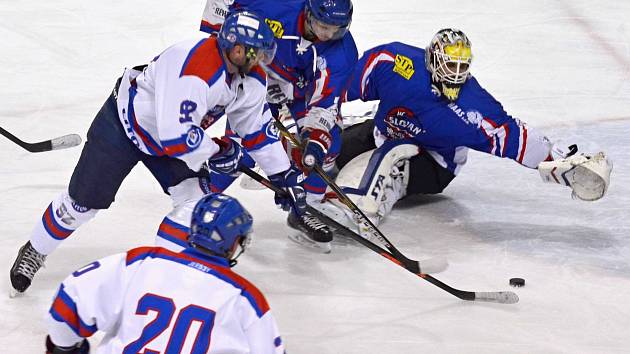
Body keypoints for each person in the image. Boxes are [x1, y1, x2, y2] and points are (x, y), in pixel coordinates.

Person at [10, 11, 314, 295]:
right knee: (81, 205)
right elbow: (176, 137)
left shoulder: (251, 78)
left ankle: (176, 278)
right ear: (236, 49)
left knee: (196, 202)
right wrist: (218, 150)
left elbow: (256, 128)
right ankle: (36, 248)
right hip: (124, 128)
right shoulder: (196, 67)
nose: (261, 60)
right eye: (256, 53)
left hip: (173, 141)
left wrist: (283, 175)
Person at [317, 29, 612, 232]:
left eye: (461, 68)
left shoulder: (473, 108)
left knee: (393, 155)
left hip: (434, 164)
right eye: (449, 66)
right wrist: (315, 118)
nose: (455, 75)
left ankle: (360, 208)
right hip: (381, 134)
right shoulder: (394, 63)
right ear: (432, 59)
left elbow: (514, 136)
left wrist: (563, 163)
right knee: (324, 151)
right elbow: (337, 88)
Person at [198, 0, 358, 251]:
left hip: (302, 93)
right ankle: (197, 200)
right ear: (307, 12)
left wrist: (314, 142)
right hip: (256, 77)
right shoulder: (275, 5)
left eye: (336, 29)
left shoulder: (343, 53)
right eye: (322, 25)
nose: (327, 35)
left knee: (327, 145)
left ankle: (307, 207)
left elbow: (325, 104)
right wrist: (216, 43)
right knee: (242, 150)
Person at [45, 193, 286, 354]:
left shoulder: (140, 263)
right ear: (235, 243)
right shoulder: (245, 299)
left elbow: (68, 305)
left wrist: (65, 348)